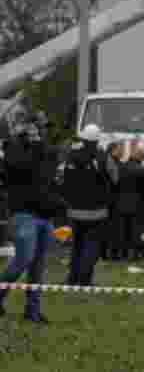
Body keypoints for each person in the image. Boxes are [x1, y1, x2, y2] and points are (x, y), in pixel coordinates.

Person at [0, 121, 66, 322]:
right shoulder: (12, 151)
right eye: (29, 130)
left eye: (37, 130)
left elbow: (46, 181)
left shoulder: (44, 151)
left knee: (37, 269)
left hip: (44, 216)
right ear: (20, 132)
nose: (35, 133)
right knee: (23, 259)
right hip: (23, 214)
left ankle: (33, 311)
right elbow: (21, 169)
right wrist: (33, 146)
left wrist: (57, 202)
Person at [62, 124, 118, 286]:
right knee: (91, 246)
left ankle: (72, 278)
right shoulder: (102, 157)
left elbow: (62, 178)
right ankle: (84, 279)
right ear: (97, 140)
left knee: (76, 246)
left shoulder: (71, 156)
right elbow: (115, 178)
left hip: (74, 210)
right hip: (97, 211)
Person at [114, 142, 144, 261]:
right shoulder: (142, 170)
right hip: (137, 204)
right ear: (139, 157)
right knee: (136, 230)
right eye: (142, 157)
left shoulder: (121, 167)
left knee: (123, 230)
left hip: (121, 203)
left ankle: (123, 253)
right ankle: (134, 254)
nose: (143, 159)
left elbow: (117, 184)